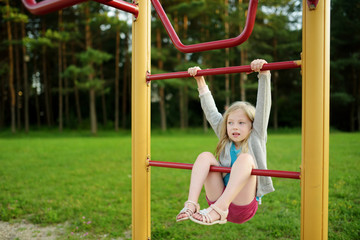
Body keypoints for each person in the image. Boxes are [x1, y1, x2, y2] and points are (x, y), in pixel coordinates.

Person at [175, 59, 275, 225]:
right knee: (205, 156)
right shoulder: (225, 136)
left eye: (241, 123)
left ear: (252, 126)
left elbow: (264, 106)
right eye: (230, 123)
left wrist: (264, 74)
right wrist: (200, 81)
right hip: (216, 200)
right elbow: (211, 112)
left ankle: (220, 209)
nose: (234, 127)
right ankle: (191, 204)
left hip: (242, 206)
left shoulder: (255, 137)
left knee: (245, 159)